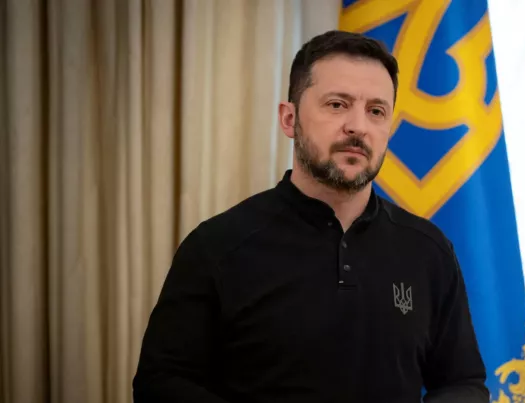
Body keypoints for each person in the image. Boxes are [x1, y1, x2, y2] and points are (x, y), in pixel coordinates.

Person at [133, 30, 489, 403]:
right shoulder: (217, 246)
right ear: (289, 119)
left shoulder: (429, 251)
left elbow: (463, 383)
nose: (358, 126)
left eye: (376, 111)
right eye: (337, 104)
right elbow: (161, 383)